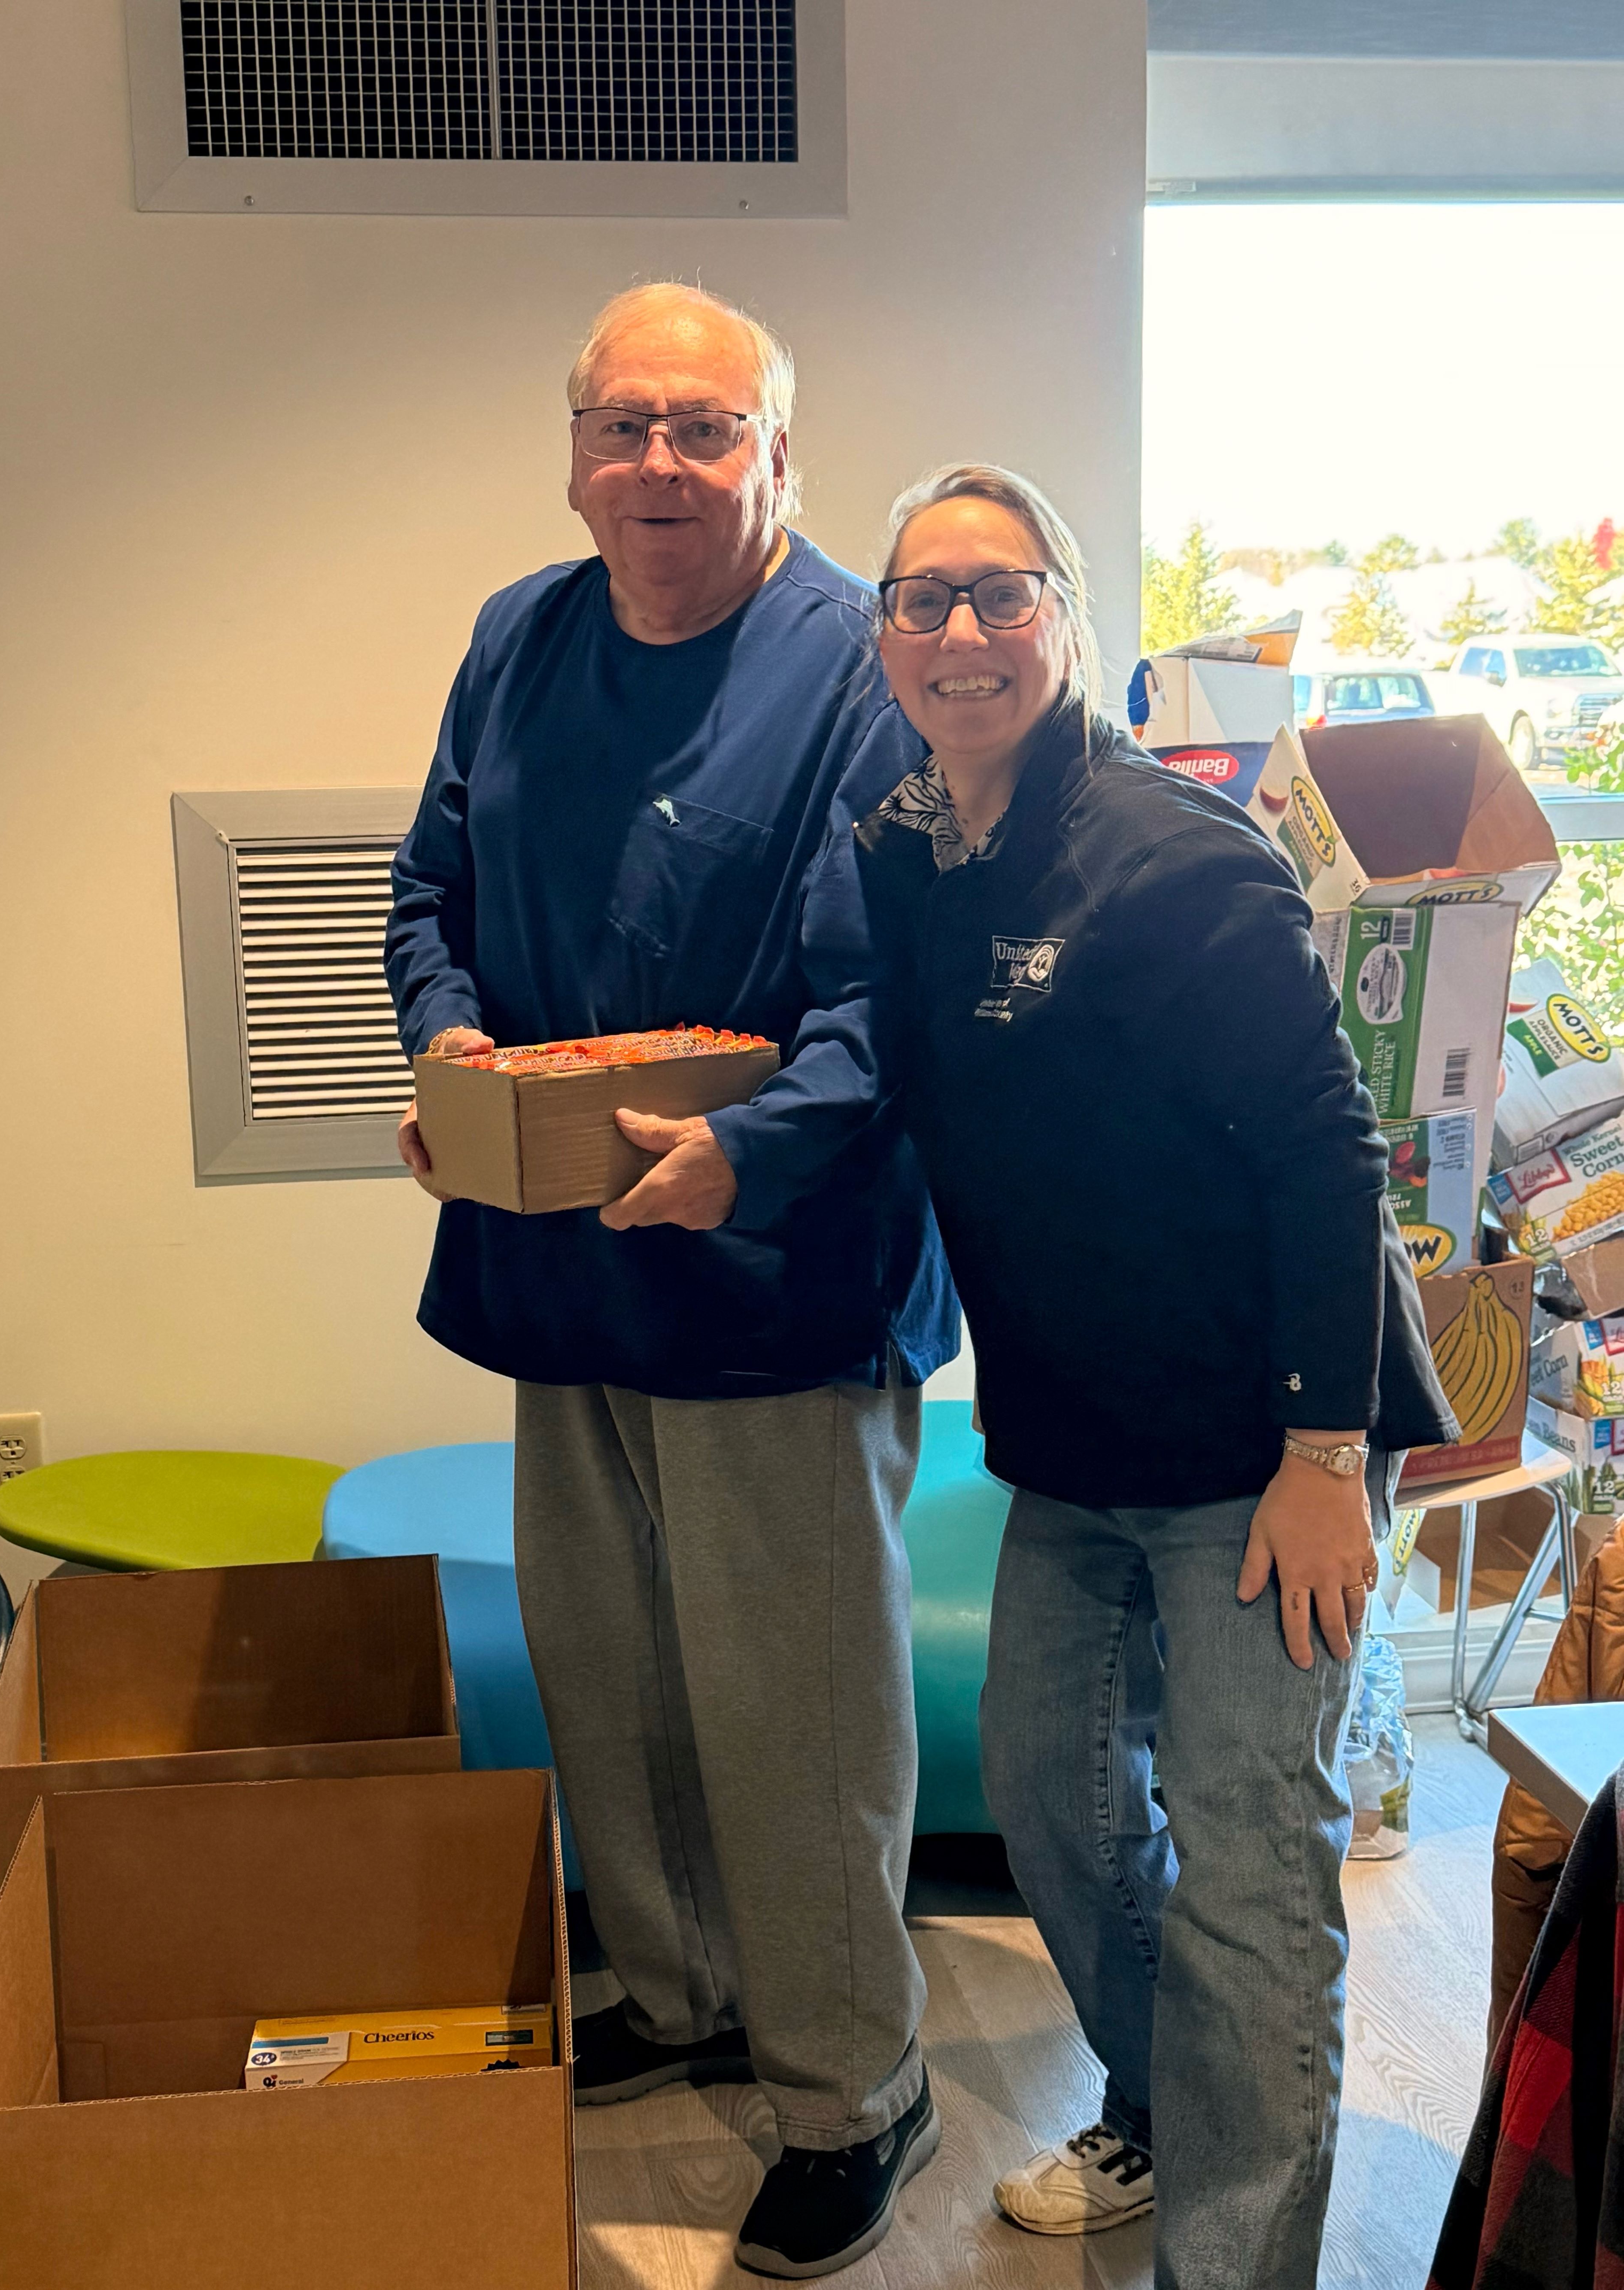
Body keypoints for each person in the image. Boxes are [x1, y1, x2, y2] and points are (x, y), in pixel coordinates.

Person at [384, 284, 957, 2281]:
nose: (659, 465)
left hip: (773, 1273)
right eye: (626, 427)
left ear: (780, 459)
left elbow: (906, 989)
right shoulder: (517, 639)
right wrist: (452, 1059)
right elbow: (429, 891)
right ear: (573, 456)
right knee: (609, 1660)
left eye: (705, 430)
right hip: (559, 1257)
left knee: (791, 1705)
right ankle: (678, 1978)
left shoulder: (861, 675)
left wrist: (750, 1147)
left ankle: (851, 2083)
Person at [850, 463, 1455, 2288]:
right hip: (1076, 1445)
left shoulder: (1182, 856)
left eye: (1002, 592)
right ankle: (1166, 2101)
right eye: (924, 597)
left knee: (1255, 1867)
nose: (962, 632)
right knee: (1044, 1796)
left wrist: (1323, 1450)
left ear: (1069, 619)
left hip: (1278, 1441)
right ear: (884, 636)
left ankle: (1233, 2257)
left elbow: (1323, 1155)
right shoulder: (899, 850)